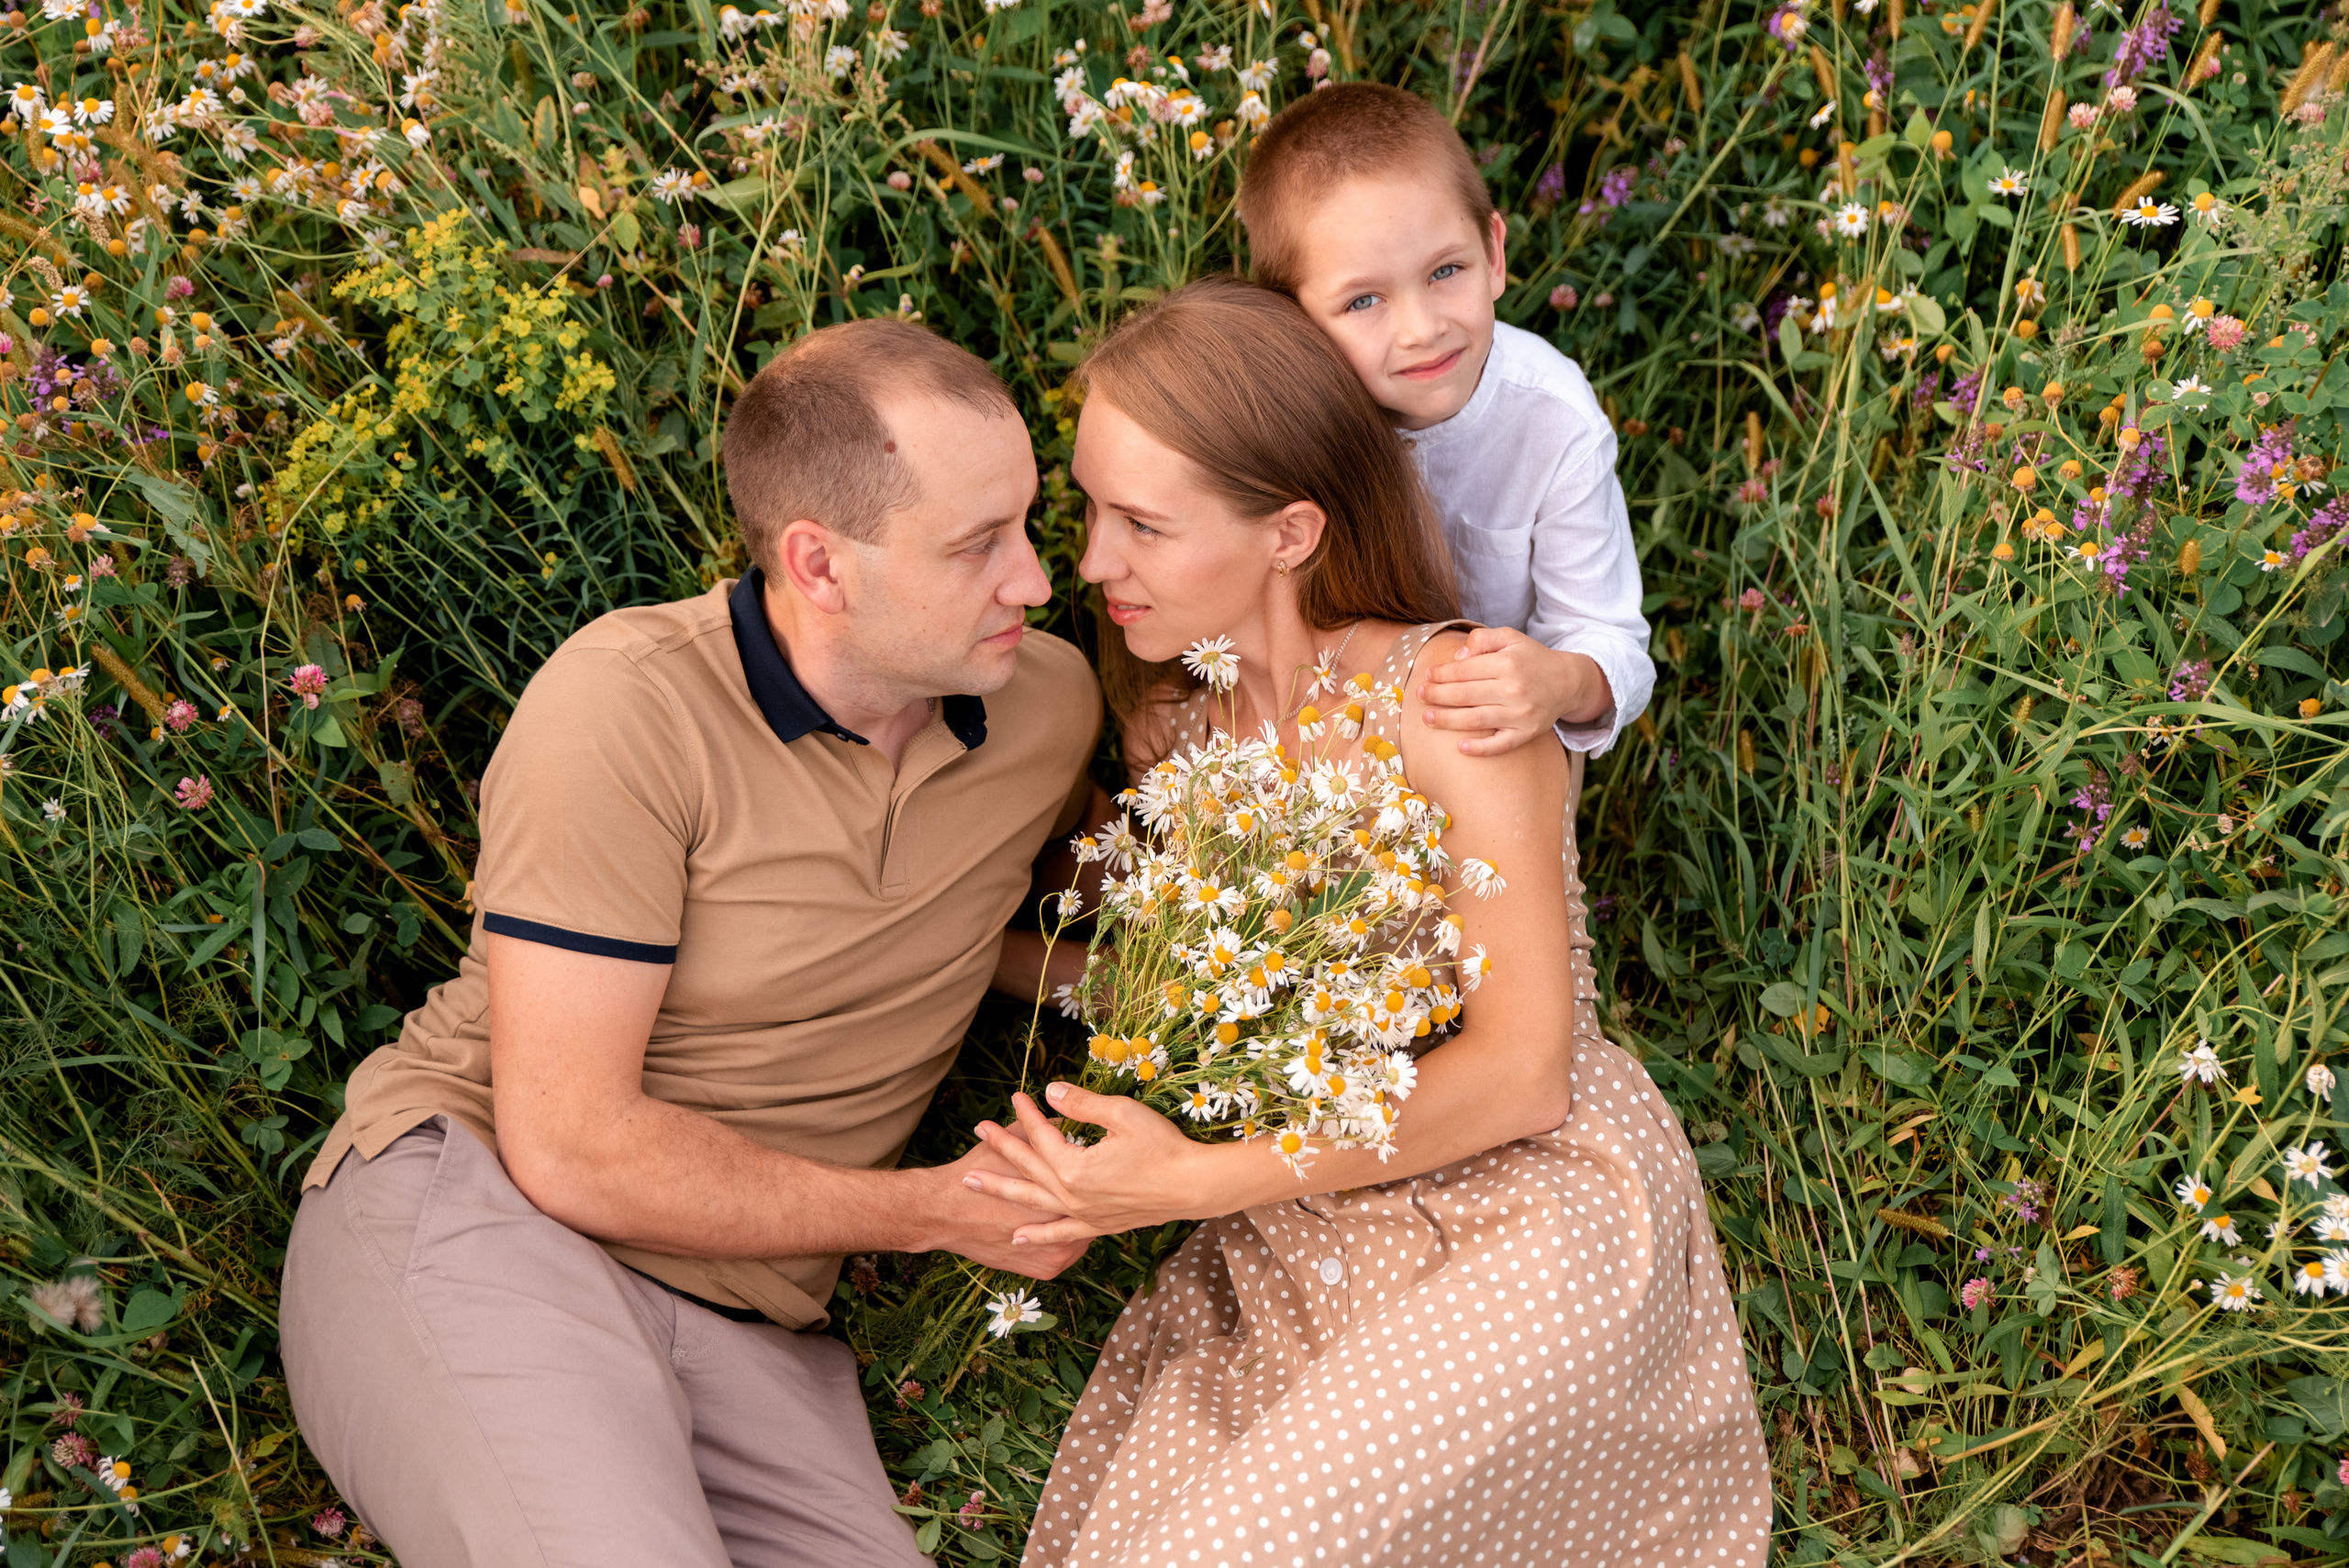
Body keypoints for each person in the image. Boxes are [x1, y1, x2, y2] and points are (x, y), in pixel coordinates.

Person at [279, 318, 1105, 1568]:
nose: (1037, 581)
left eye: (1029, 522)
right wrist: (932, 1212)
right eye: (979, 544)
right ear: (819, 565)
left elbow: (955, 925)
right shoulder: (627, 709)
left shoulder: (1043, 705)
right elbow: (572, 1144)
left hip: (751, 1319)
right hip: (488, 1214)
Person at [981, 278, 1769, 1568]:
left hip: (1526, 1212)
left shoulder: (1448, 699)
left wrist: (1184, 1183)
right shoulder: (1174, 727)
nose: (1091, 562)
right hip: (1310, 1228)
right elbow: (1187, 984)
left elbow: (1523, 1075)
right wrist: (968, 962)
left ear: (1289, 531)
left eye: (1141, 523)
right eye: (1088, 508)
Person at [1237, 82, 1654, 768]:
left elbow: (1604, 632)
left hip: (1485, 719)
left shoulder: (1554, 421)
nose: (1423, 329)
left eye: (1445, 270)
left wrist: (1558, 681)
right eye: (1363, 299)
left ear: (1494, 253)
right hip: (1323, 715)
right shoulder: (1278, 422)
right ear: (1292, 318)